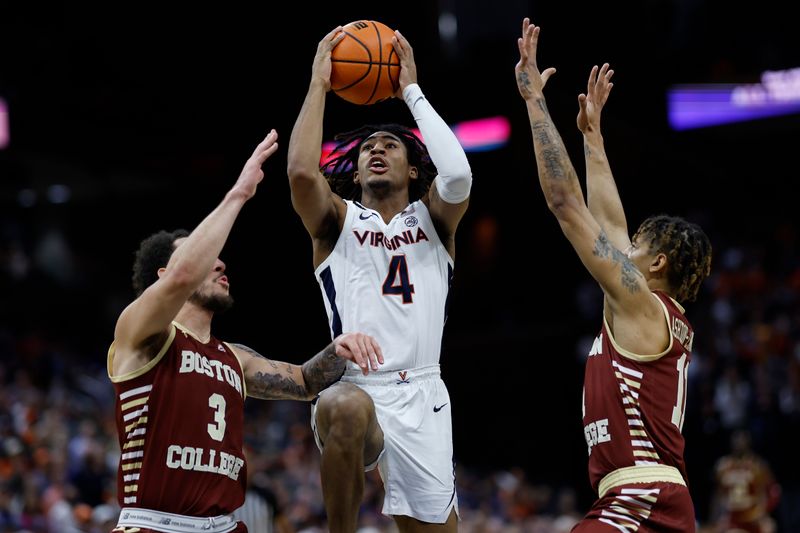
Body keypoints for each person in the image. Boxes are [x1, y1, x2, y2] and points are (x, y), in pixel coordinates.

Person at [107, 129, 383, 533]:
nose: (218, 264)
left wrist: (338, 348)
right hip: (154, 524)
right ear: (164, 275)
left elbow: (305, 382)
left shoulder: (233, 356)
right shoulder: (140, 334)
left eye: (218, 258)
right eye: (203, 257)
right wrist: (239, 192)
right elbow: (184, 275)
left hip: (225, 525)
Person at [514, 18, 713, 532]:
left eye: (636, 248)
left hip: (642, 500)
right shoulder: (649, 311)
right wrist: (592, 137)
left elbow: (566, 204)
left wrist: (535, 100)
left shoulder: (641, 307)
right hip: (644, 498)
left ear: (658, 264)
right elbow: (609, 222)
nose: (624, 249)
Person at [286, 25, 472, 533]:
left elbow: (458, 177)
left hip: (424, 392)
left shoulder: (432, 221)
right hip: (359, 386)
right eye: (369, 145)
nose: (377, 149)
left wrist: (411, 90)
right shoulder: (337, 222)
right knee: (341, 406)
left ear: (414, 169)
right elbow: (303, 175)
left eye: (391, 145)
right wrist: (319, 85)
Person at [711, 429, 780, 533]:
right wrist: (716, 518)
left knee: (769, 527)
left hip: (753, 517)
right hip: (732, 518)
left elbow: (774, 490)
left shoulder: (758, 465)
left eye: (741, 440)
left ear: (748, 442)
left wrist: (764, 512)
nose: (738, 443)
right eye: (736, 440)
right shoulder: (723, 466)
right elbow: (717, 495)